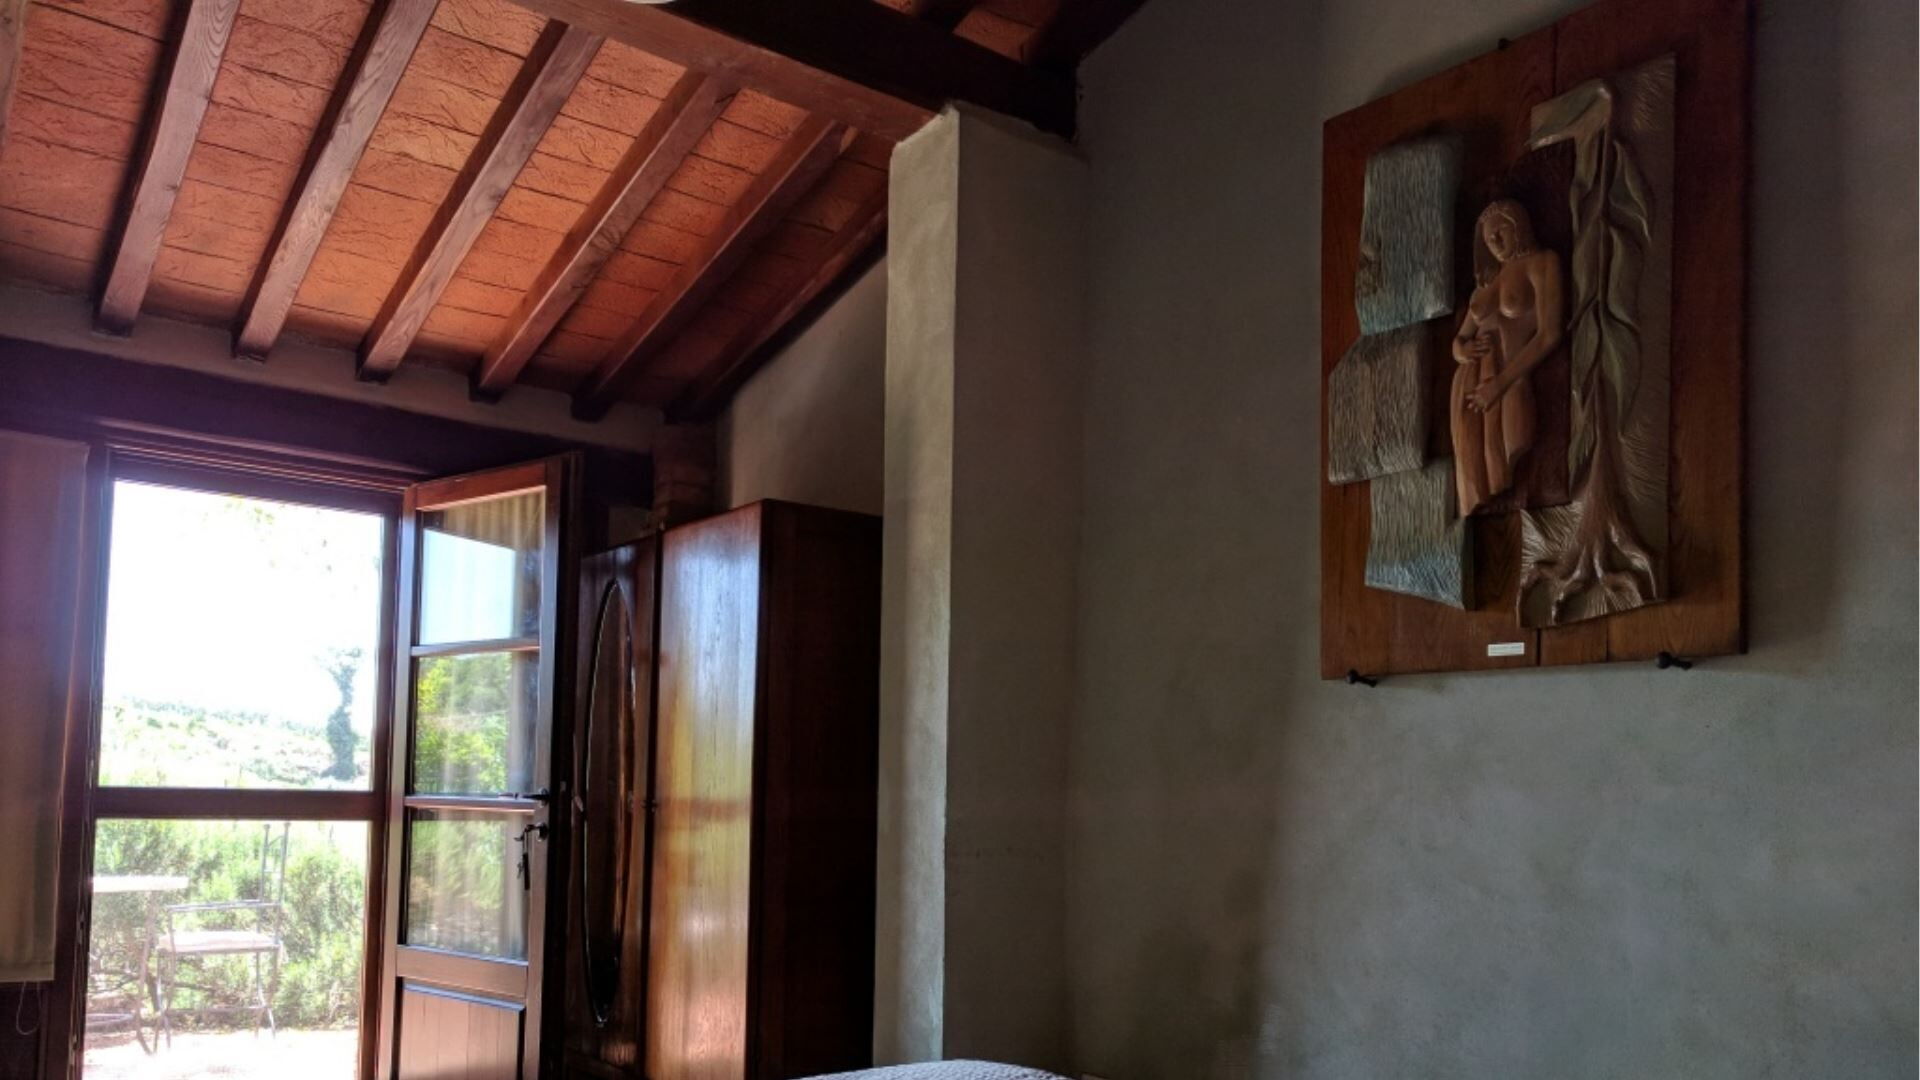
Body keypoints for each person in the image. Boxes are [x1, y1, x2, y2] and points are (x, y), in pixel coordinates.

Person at [1450, 198, 1565, 516]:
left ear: (1519, 227)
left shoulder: (1542, 263)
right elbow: (1460, 339)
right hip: (1470, 386)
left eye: (1502, 230)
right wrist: (1461, 351)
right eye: (1490, 238)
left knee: (1512, 447)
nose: (1497, 240)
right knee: (1474, 471)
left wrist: (1499, 384)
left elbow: (1549, 334)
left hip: (1509, 379)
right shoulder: (1487, 283)